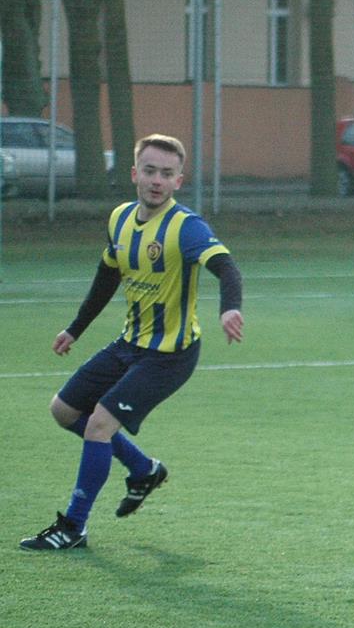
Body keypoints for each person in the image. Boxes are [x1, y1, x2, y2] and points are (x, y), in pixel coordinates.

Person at [19, 134, 243, 552]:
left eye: (167, 173)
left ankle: (73, 527)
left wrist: (229, 308)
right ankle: (143, 469)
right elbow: (107, 276)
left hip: (169, 356)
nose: (157, 180)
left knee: (100, 425)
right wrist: (75, 329)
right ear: (134, 173)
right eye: (150, 171)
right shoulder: (120, 218)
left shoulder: (186, 227)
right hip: (128, 343)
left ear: (179, 181)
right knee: (63, 411)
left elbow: (227, 269)